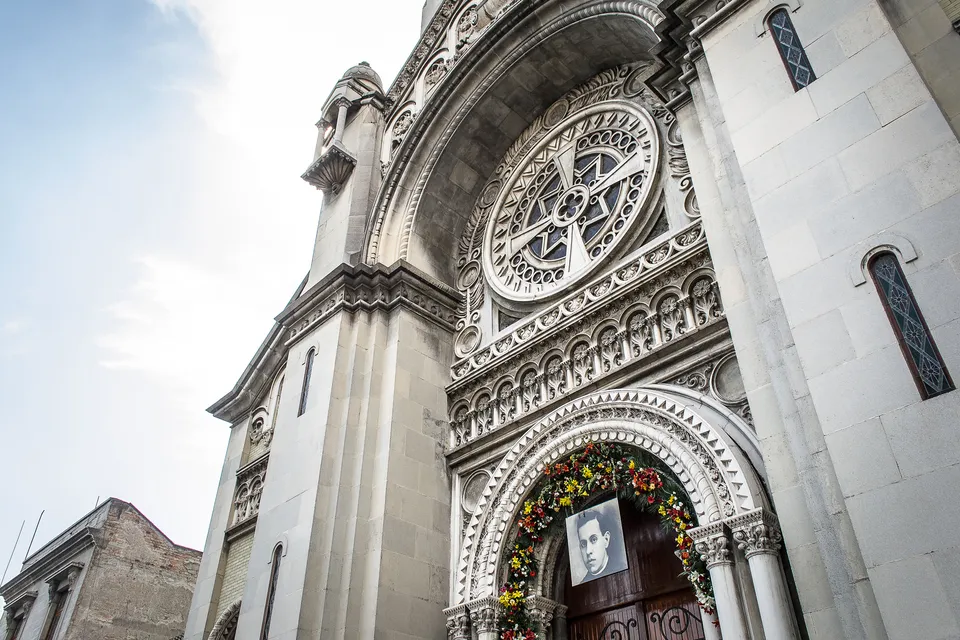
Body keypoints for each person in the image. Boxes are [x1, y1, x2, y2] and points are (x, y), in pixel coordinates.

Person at [576, 508, 620, 580]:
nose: (588, 551)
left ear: (606, 540)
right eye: (583, 544)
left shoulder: (620, 567)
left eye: (593, 539)